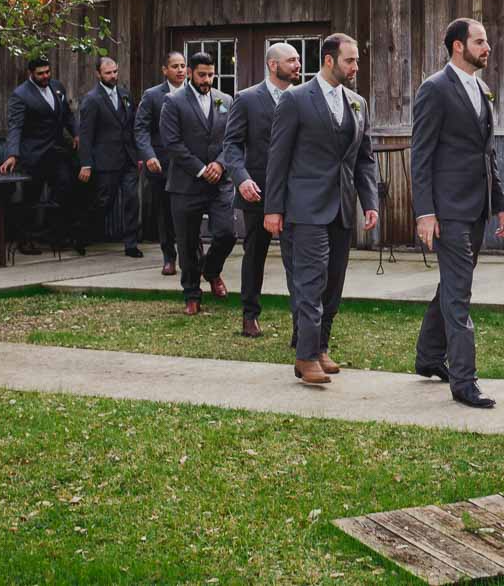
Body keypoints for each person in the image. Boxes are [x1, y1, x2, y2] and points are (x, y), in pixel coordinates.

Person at [263, 33, 379, 385]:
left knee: (333, 284)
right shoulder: (296, 100)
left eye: (357, 60)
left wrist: (369, 201)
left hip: (342, 207)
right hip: (305, 208)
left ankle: (321, 346)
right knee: (310, 283)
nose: (355, 67)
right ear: (329, 60)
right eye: (350, 61)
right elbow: (277, 158)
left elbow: (364, 159)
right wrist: (273, 208)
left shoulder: (357, 102)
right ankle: (305, 356)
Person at [411, 19, 504, 409]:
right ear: (458, 46)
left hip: (478, 206)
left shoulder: (481, 89)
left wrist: (500, 204)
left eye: (487, 41)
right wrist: (425, 213)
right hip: (448, 209)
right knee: (459, 292)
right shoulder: (434, 89)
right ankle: (464, 381)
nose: (487, 47)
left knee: (454, 284)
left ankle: (427, 356)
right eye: (480, 41)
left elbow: (488, 152)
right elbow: (420, 154)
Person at [221, 42, 300, 338]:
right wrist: (241, 179)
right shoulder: (246, 99)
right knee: (255, 253)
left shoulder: (303, 97)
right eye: (291, 61)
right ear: (272, 64)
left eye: (298, 60)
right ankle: (249, 315)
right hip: (257, 190)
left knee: (297, 258)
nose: (297, 65)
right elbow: (231, 145)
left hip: (295, 190)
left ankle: (301, 324)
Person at [159, 51, 236, 314]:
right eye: (202, 75)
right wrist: (202, 169)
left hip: (220, 181)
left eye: (211, 74)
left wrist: (220, 164)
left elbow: (234, 140)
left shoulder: (225, 100)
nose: (207, 79)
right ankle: (191, 294)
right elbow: (172, 143)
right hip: (186, 183)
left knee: (227, 234)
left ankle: (211, 271)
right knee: (188, 242)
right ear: (190, 73)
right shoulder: (173, 101)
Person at [0, 58, 86, 254]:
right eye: (41, 73)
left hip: (56, 152)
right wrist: (13, 154)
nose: (46, 76)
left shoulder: (57, 87)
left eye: (48, 72)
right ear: (31, 73)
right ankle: (25, 240)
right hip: (34, 155)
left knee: (65, 187)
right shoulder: (20, 95)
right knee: (31, 197)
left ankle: (55, 234)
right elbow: (15, 126)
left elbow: (67, 115)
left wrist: (77, 133)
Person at [76, 56, 142, 258]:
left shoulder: (125, 94)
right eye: (108, 73)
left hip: (128, 159)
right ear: (98, 74)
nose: (113, 76)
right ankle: (81, 236)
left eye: (115, 71)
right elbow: (85, 135)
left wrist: (139, 155)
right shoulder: (92, 99)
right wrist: (86, 164)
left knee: (132, 199)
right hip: (105, 161)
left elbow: (132, 127)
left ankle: (131, 244)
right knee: (103, 203)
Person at [135, 51, 188, 275]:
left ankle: (194, 256)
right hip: (161, 164)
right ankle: (169, 257)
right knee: (165, 213)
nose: (180, 70)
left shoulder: (194, 92)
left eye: (183, 66)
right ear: (165, 70)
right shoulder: (152, 95)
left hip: (189, 164)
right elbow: (141, 129)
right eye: (175, 66)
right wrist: (148, 156)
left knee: (189, 211)